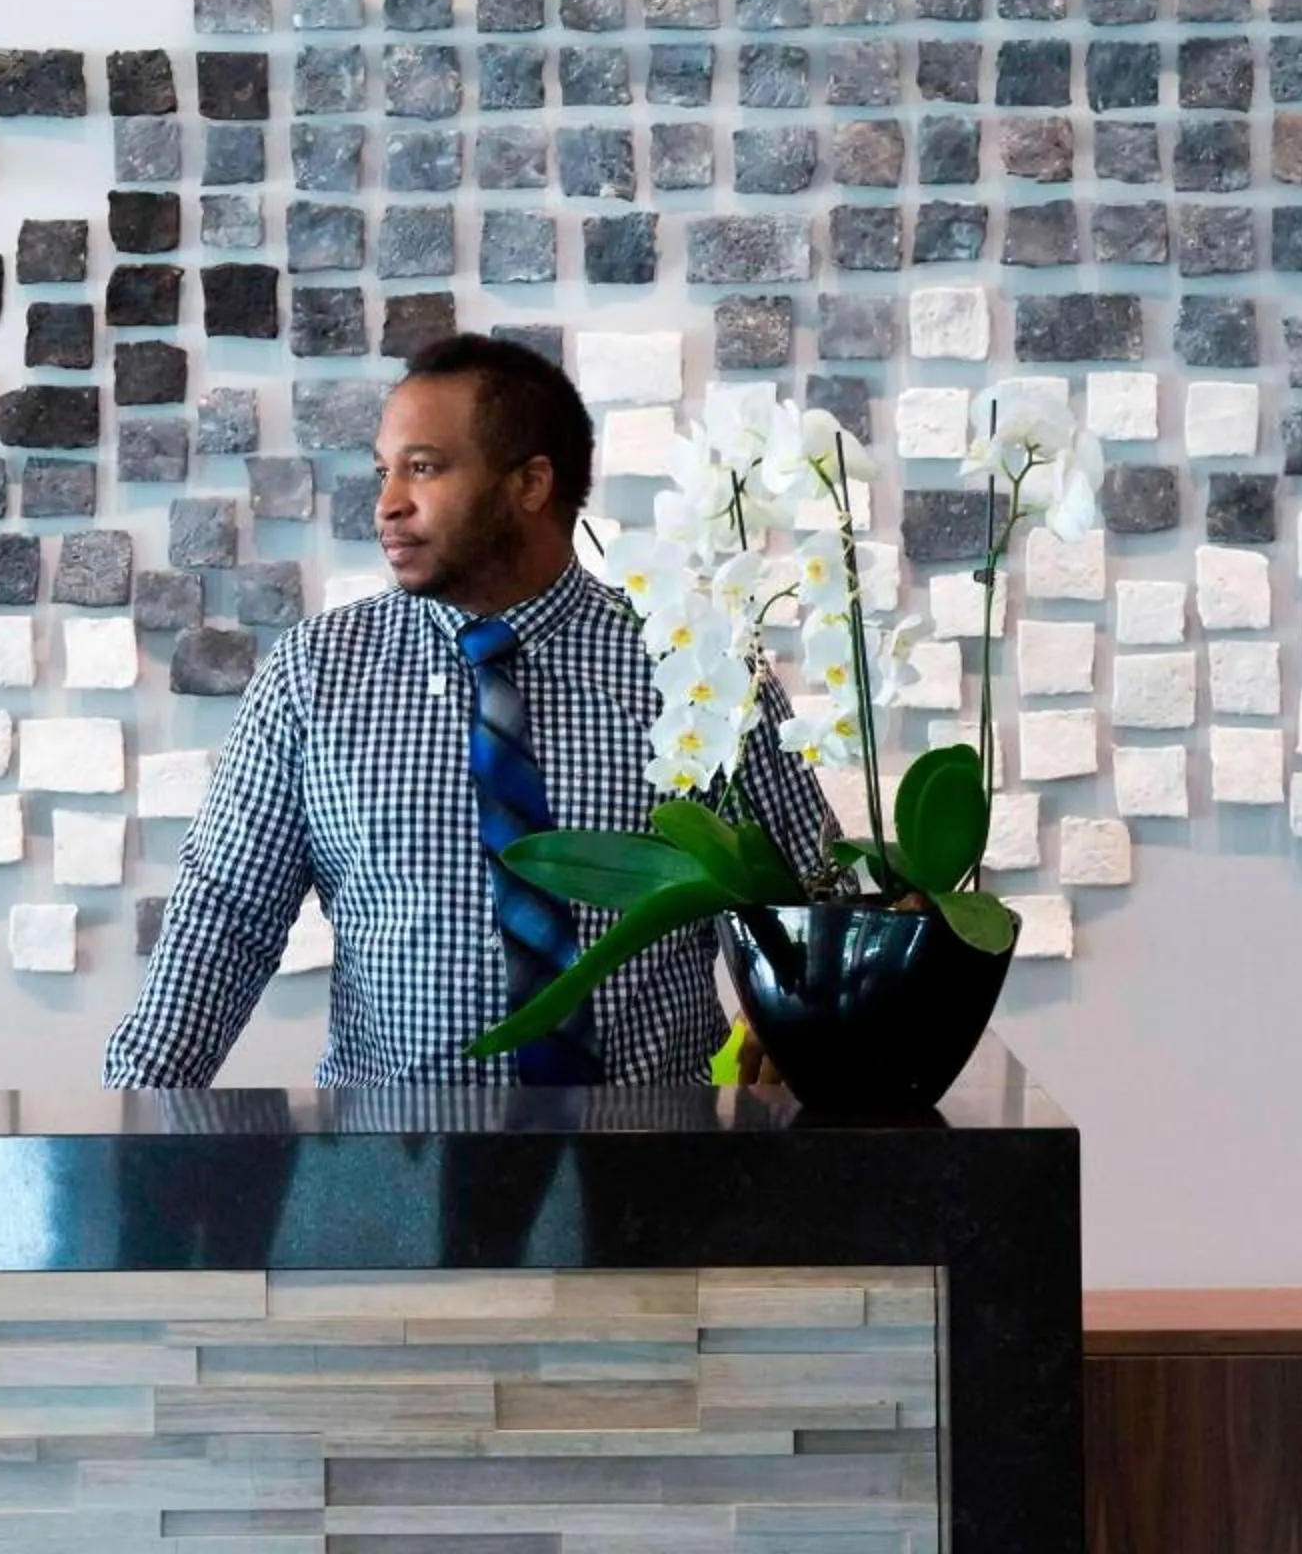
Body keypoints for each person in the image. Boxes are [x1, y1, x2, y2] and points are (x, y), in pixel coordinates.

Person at [104, 333, 835, 1089]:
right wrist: (120, 1144)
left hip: (651, 1161)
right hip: (393, 1170)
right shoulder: (313, 677)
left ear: (530, 484)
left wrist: (795, 1027)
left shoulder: (697, 672)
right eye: (384, 470)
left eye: (423, 468)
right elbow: (225, 920)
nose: (387, 504)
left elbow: (817, 899)